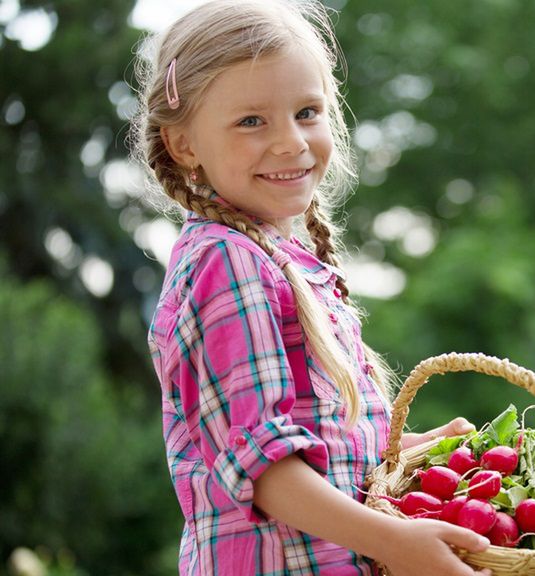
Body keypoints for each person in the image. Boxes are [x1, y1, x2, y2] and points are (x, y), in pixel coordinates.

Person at [134, 1, 492, 574]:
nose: (290, 142)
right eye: (252, 121)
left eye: (307, 111)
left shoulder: (278, 260)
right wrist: (395, 542)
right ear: (184, 146)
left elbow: (314, 457)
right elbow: (267, 472)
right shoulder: (226, 263)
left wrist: (400, 456)